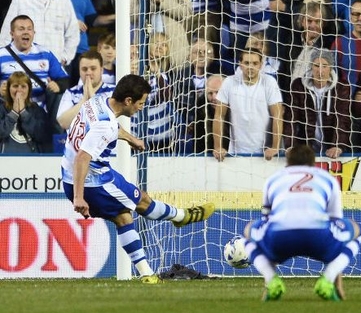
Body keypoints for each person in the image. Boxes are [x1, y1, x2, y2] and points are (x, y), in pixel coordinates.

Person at [61, 73, 215, 283]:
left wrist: (131, 138)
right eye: (141, 103)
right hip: (92, 183)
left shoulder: (97, 101)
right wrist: (79, 197)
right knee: (142, 202)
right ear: (128, 101)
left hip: (75, 177)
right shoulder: (104, 124)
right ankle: (182, 217)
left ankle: (147, 275)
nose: (142, 107)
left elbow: (112, 128)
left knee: (123, 217)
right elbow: (82, 158)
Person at [244, 144, 361, 301]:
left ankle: (271, 280)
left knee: (247, 231)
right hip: (319, 237)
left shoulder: (273, 179)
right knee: (356, 231)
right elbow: (336, 221)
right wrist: (338, 284)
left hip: (280, 238)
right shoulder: (328, 178)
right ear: (314, 163)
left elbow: (266, 219)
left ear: (287, 162)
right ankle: (327, 279)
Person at [0, 0, 80, 68]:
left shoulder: (64, 2)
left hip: (55, 68)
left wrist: (64, 58)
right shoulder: (20, 1)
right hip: (24, 68)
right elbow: (5, 36)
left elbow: (73, 34)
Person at [213, 48, 283, 161]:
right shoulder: (229, 82)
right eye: (246, 63)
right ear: (240, 64)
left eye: (255, 63)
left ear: (261, 65)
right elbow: (219, 116)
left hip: (265, 153)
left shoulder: (269, 82)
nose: (250, 67)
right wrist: (218, 147)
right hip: (236, 152)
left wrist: (275, 147)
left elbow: (277, 116)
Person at [286, 48, 351, 158]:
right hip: (306, 148)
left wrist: (337, 145)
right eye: (316, 65)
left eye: (324, 66)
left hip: (331, 146)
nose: (320, 71)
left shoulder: (341, 87)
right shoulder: (298, 86)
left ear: (330, 68)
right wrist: (290, 146)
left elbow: (342, 119)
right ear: (311, 66)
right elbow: (291, 118)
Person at [56, 50, 115, 130]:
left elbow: (106, 123)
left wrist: (92, 98)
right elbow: (63, 123)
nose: (88, 72)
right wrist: (84, 100)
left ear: (101, 70)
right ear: (79, 71)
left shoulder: (113, 92)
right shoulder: (71, 93)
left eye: (93, 69)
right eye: (84, 69)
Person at [0, 72, 50, 153]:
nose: (19, 90)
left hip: (33, 161)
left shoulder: (37, 110)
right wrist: (14, 113)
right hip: (4, 161)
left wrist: (23, 112)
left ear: (29, 89)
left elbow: (42, 135)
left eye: (23, 86)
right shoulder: (1, 109)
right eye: (15, 86)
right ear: (8, 89)